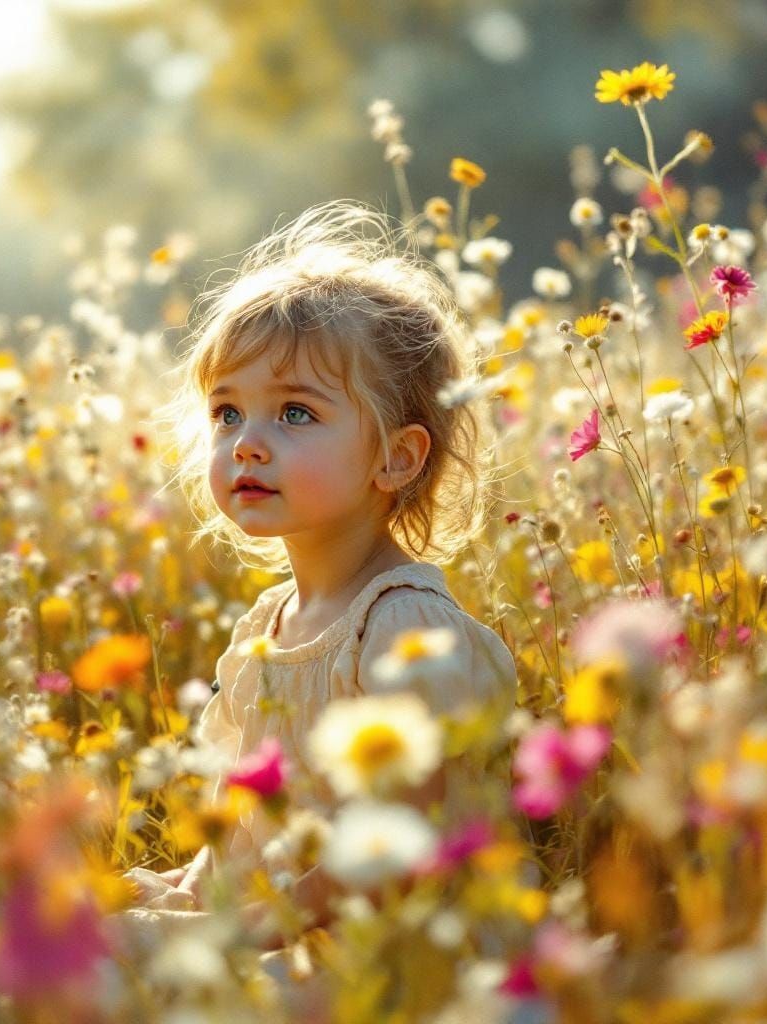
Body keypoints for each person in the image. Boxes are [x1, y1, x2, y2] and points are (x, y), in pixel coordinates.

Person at [125, 201, 517, 951]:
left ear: (396, 458)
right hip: (279, 929)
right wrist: (191, 887)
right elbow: (251, 813)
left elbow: (408, 836)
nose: (246, 444)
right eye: (228, 413)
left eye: (295, 414)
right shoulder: (267, 628)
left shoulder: (401, 625)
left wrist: (246, 930)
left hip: (380, 950)